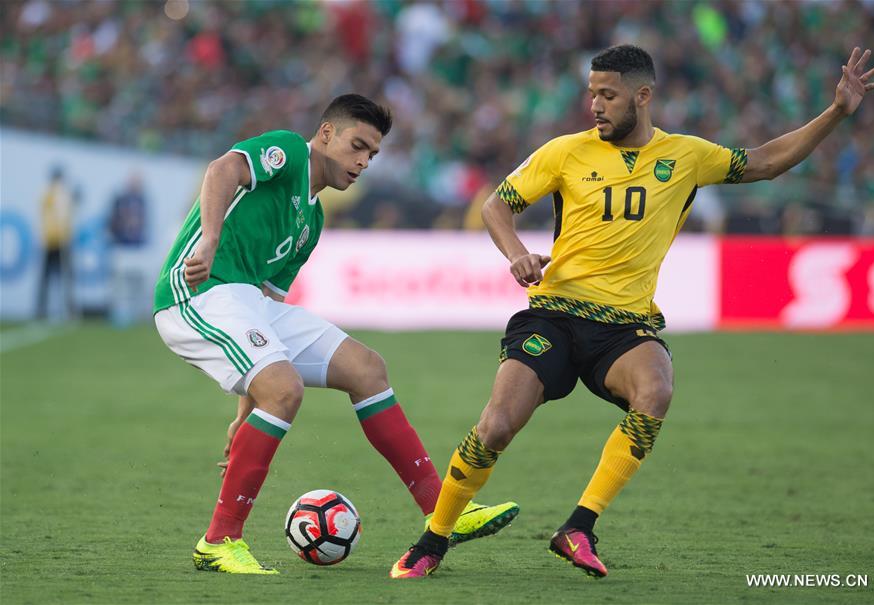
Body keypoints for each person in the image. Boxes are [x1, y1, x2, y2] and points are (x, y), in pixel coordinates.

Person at [389, 45, 874, 579]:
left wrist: (836, 112)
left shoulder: (686, 156)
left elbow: (763, 161)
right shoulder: (565, 152)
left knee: (657, 390)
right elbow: (495, 206)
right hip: (554, 313)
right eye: (592, 94)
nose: (595, 106)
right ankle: (433, 540)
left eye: (608, 95)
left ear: (642, 96)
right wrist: (517, 254)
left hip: (625, 326)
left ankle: (579, 526)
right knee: (496, 427)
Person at [152, 94, 518, 575]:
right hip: (195, 293)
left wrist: (249, 408)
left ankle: (443, 510)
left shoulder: (313, 221)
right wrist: (210, 239)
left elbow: (265, 317)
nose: (364, 161)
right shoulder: (288, 152)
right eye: (358, 146)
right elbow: (221, 170)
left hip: (247, 302)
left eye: (373, 154)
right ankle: (218, 542)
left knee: (366, 369)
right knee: (286, 389)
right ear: (326, 134)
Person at [108, 172, 149, 326]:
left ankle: (136, 314)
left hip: (137, 249)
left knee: (138, 283)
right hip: (122, 247)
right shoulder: (120, 200)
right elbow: (112, 222)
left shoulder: (142, 201)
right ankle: (119, 315)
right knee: (120, 285)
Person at [36, 165, 75, 320]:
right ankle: (41, 310)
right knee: (46, 277)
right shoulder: (48, 194)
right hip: (50, 241)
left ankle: (68, 310)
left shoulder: (63, 195)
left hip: (63, 240)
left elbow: (67, 215)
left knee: (67, 278)